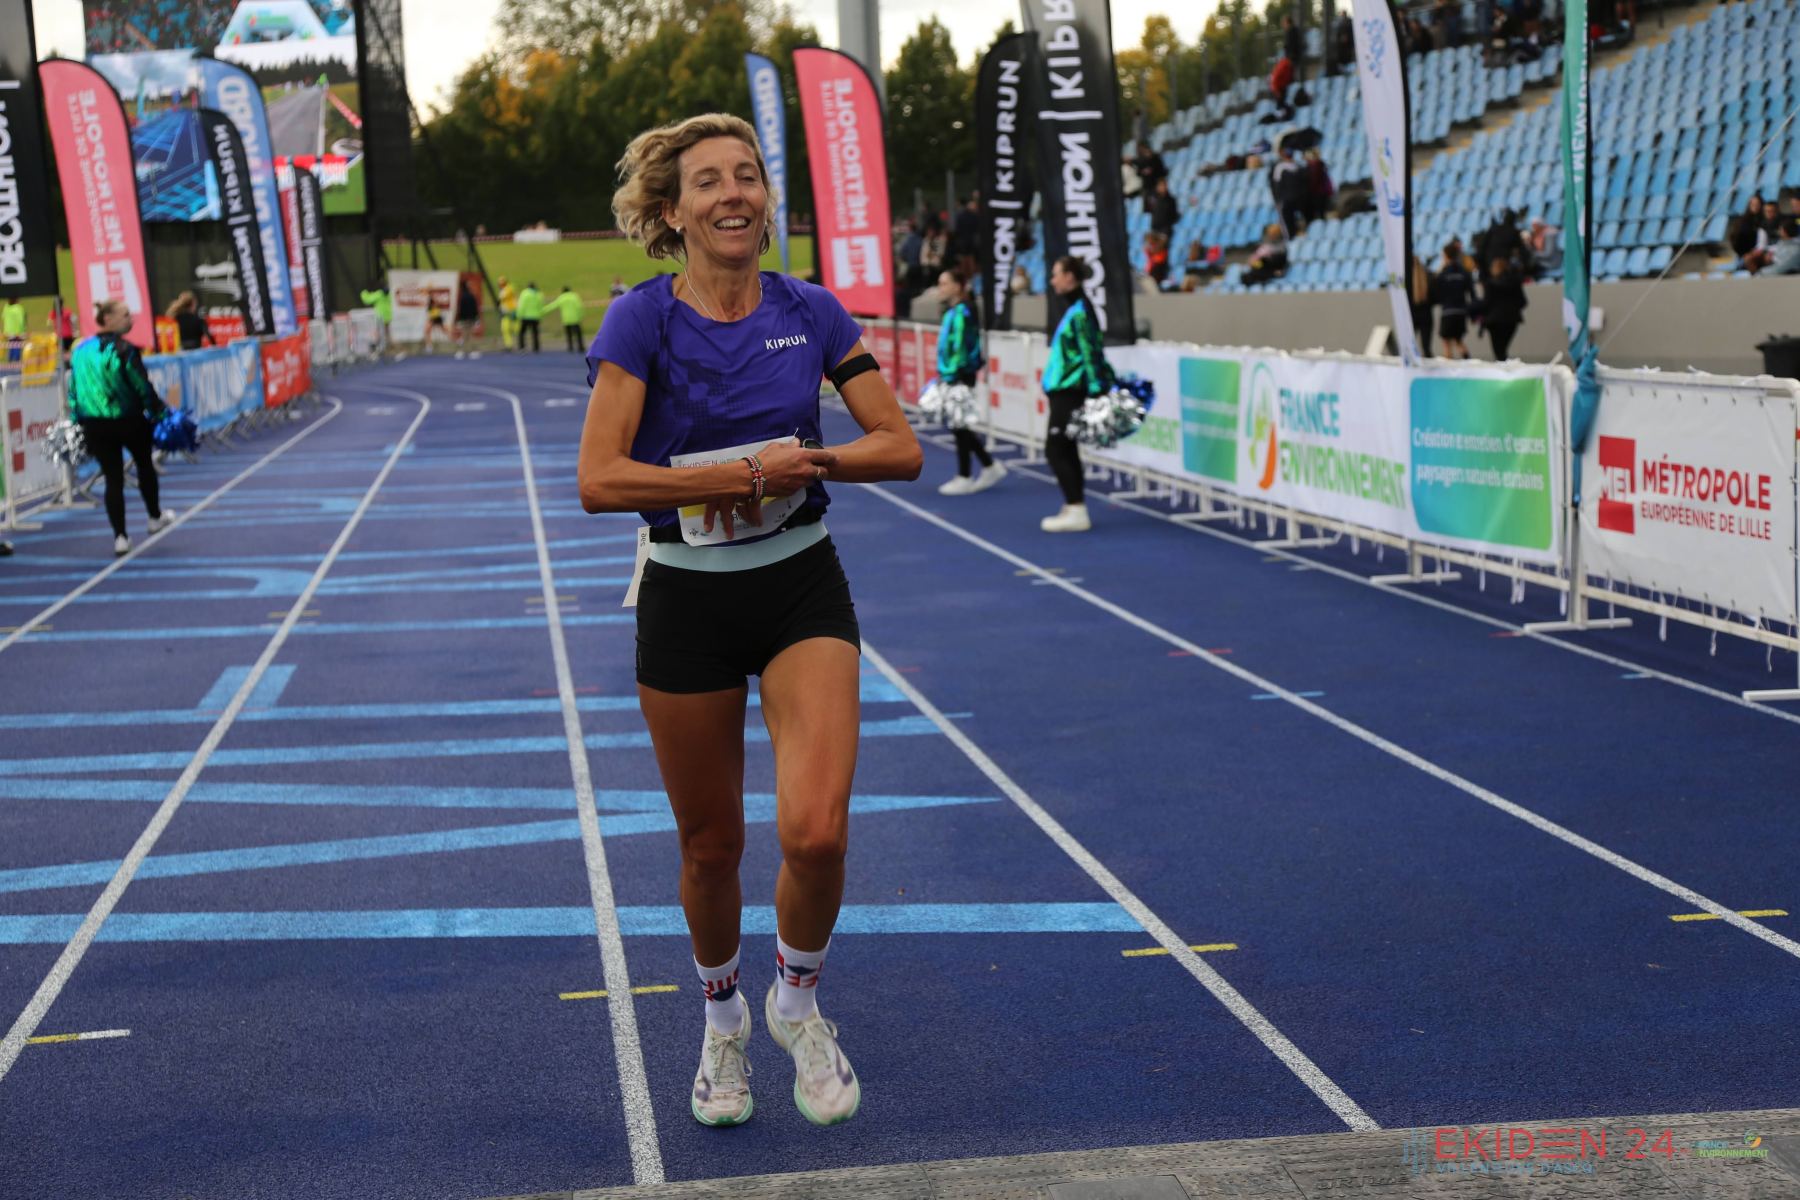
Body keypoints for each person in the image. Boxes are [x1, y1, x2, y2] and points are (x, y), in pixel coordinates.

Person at [577, 111, 921, 1130]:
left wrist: (803, 464)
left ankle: (796, 1005)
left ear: (767, 200)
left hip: (798, 585)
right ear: (672, 212)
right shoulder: (641, 321)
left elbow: (899, 446)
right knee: (711, 846)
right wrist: (734, 477)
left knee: (816, 833)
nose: (733, 193)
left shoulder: (810, 311)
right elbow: (600, 478)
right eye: (709, 181)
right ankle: (722, 1020)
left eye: (749, 175)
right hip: (686, 597)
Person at [69, 300, 176, 556]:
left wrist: (77, 419)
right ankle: (153, 517)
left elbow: (73, 390)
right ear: (107, 319)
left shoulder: (80, 351)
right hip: (129, 420)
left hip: (95, 424)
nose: (131, 319)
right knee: (144, 465)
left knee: (113, 477)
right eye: (125, 315)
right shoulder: (124, 349)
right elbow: (141, 385)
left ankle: (120, 536)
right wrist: (160, 412)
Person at [1039, 255, 1114, 533]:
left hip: (1072, 391)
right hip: (1064, 390)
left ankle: (1076, 507)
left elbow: (1091, 352)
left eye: (1056, 274)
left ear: (1070, 277)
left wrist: (1096, 391)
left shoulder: (1081, 311)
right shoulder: (1075, 309)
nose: (1052, 280)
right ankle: (1074, 506)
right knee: (1066, 448)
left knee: (1056, 448)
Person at [933, 267, 1005, 496]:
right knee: (959, 425)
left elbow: (963, 348)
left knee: (960, 425)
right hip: (953, 374)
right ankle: (989, 466)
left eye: (944, 283)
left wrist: (952, 375)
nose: (940, 288)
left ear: (957, 286)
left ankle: (965, 475)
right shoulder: (954, 311)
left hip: (960, 375)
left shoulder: (964, 311)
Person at [1432, 240, 1476, 359]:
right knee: (1458, 340)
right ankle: (1467, 361)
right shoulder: (1464, 272)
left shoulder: (1443, 274)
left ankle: (1449, 365)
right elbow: (1472, 293)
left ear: (1445, 256)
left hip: (1448, 311)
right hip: (1461, 311)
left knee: (1446, 343)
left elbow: (1436, 291)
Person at [1482, 256, 1527, 360]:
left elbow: (1486, 303)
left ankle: (1502, 366)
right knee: (1503, 349)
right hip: (1512, 319)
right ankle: (1504, 364)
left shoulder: (1490, 284)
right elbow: (1523, 301)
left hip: (1494, 320)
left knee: (1498, 350)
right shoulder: (1515, 282)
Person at [1409, 253, 1435, 358]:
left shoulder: (1407, 279)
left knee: (1409, 346)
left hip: (1412, 315)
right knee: (1426, 347)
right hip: (1426, 315)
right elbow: (1434, 297)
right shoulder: (1428, 276)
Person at [360, 281, 393, 356]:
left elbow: (367, 299)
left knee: (377, 331)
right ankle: (387, 347)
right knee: (386, 332)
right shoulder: (389, 295)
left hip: (380, 316)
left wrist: (363, 292)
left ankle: (375, 346)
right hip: (387, 316)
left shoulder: (379, 294)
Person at [453, 278, 482, 359]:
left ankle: (463, 351)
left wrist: (459, 320)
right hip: (471, 319)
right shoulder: (471, 296)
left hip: (464, 319)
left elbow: (461, 310)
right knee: (470, 335)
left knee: (465, 335)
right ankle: (473, 351)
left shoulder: (463, 297)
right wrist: (476, 318)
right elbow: (475, 308)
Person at [1304, 149, 1335, 224]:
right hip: (1321, 192)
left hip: (1318, 193)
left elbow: (1314, 181)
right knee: (1321, 213)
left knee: (1320, 214)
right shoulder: (1320, 165)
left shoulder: (1316, 166)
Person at [553, 284, 585, 351]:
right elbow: (579, 307)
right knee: (578, 334)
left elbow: (553, 306)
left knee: (569, 334)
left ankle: (570, 347)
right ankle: (580, 347)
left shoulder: (561, 298)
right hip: (575, 319)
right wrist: (581, 315)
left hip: (566, 319)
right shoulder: (574, 296)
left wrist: (542, 311)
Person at [515, 281, 544, 352]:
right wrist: (540, 315)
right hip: (536, 316)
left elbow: (521, 305)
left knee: (522, 332)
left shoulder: (525, 293)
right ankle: (536, 347)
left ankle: (522, 347)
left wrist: (519, 314)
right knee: (535, 333)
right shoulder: (539, 294)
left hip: (526, 316)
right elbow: (540, 306)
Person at [497, 275, 519, 350]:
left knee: (515, 329)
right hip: (506, 313)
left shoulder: (509, 288)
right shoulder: (504, 290)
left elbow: (504, 297)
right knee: (505, 329)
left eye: (501, 283)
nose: (500, 285)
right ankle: (509, 345)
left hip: (512, 311)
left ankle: (519, 344)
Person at [2, 296, 24, 361]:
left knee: (11, 346)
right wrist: (22, 331)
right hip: (17, 331)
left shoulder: (6, 307)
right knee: (17, 347)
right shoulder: (19, 308)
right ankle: (16, 362)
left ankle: (10, 361)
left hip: (8, 331)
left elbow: (3, 317)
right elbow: (21, 320)